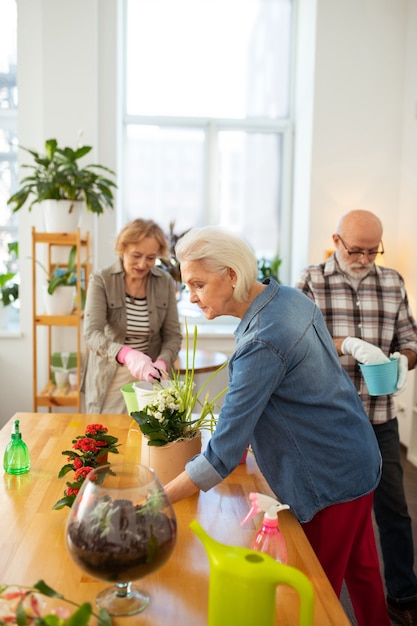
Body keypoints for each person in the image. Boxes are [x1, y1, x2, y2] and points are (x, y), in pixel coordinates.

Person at [164, 225, 391, 626]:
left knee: (311, 597)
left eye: (198, 284)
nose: (192, 296)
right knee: (365, 576)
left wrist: (157, 498)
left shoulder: (261, 343)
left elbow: (220, 457)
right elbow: (294, 390)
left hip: (328, 477)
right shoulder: (286, 297)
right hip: (357, 453)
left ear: (231, 275)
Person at [296, 209, 417, 626]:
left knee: (395, 510)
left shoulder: (393, 282)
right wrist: (347, 343)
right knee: (332, 517)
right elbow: (299, 341)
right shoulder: (311, 280)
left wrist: (405, 359)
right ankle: (317, 601)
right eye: (356, 250)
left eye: (372, 251)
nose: (365, 258)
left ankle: (403, 596)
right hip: (331, 424)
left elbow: (410, 338)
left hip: (380, 418)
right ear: (336, 240)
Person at [82, 218, 182, 414]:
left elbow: (173, 335)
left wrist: (162, 363)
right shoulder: (102, 280)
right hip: (111, 377)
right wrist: (127, 355)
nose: (143, 264)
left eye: (151, 258)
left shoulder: (165, 283)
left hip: (150, 377)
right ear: (122, 248)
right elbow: (92, 334)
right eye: (136, 255)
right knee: (109, 435)